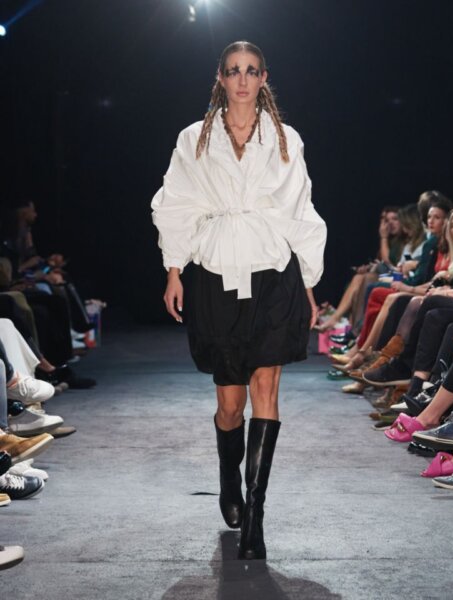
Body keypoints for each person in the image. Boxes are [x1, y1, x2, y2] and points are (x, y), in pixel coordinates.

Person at [151, 41, 327, 560]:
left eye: (252, 71)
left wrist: (309, 282)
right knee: (230, 405)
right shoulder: (194, 139)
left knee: (266, 388)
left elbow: (301, 211)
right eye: (234, 71)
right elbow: (175, 203)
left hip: (274, 273)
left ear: (264, 78)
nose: (243, 80)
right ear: (221, 78)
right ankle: (230, 480)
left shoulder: (286, 140)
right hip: (215, 273)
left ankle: (255, 517)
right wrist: (174, 269)